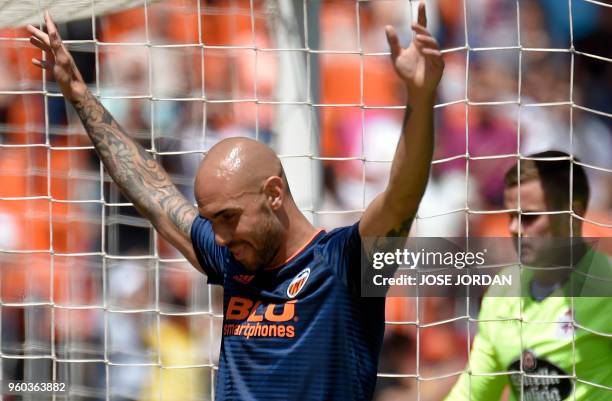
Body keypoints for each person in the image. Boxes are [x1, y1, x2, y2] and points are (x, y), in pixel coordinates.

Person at [27, 2, 443, 400]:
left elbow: (402, 196)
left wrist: (421, 99)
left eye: (228, 217)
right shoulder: (233, 259)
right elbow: (153, 192)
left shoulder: (344, 264)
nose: (219, 236)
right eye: (212, 220)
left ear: (274, 193)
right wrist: (78, 91)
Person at [444, 151, 612, 401]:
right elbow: (472, 395)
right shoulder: (503, 291)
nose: (513, 228)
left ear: (572, 215)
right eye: (511, 216)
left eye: (529, 217)